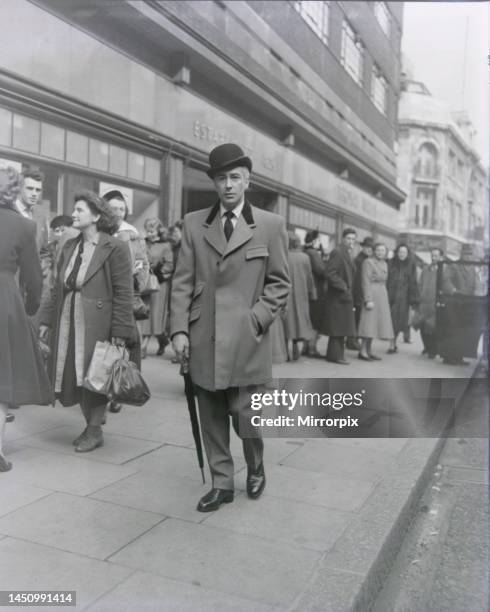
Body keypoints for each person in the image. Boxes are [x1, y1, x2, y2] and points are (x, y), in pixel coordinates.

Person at [171, 143, 290, 512]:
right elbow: (182, 282)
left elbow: (280, 283)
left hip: (247, 339)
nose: (228, 185)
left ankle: (255, 464)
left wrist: (257, 318)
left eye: (235, 177)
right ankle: (222, 483)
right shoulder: (193, 223)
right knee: (210, 414)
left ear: (247, 180)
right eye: (221, 178)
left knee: (245, 414)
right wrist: (178, 330)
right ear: (214, 182)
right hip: (203, 335)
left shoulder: (270, 226)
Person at [38, 190, 134, 452]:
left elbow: (124, 292)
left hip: (97, 322)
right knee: (76, 374)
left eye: (79, 210)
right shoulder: (70, 245)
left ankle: (94, 430)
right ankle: (92, 426)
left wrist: (121, 331)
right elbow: (56, 288)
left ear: (96, 215)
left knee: (97, 374)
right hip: (68, 319)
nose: (74, 214)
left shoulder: (115, 247)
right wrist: (46, 321)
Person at [0, 166, 52, 471]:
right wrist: (31, 307)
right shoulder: (22, 226)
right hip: (4, 301)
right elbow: (34, 279)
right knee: (2, 373)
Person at [321, 228, 357, 365]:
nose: (351, 241)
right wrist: (343, 287)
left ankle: (336, 355)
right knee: (338, 326)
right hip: (338, 295)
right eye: (348, 238)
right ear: (342, 239)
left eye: (353, 239)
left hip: (343, 295)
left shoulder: (347, 252)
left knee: (341, 326)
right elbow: (330, 272)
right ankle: (335, 355)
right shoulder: (338, 252)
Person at [140, 218, 174, 357]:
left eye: (152, 230)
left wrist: (159, 274)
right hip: (145, 282)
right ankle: (143, 346)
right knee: (145, 313)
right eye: (148, 230)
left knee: (157, 316)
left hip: (159, 284)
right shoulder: (142, 243)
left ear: (158, 230)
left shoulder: (165, 245)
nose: (150, 233)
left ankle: (162, 339)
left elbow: (169, 264)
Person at [358, 243, 394, 360]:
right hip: (372, 293)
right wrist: (368, 299)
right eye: (378, 250)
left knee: (375, 324)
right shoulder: (368, 262)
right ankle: (362, 350)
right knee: (368, 323)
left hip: (382, 294)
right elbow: (365, 281)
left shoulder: (385, 263)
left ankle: (369, 350)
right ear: (374, 251)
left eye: (383, 250)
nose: (380, 252)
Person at [285, 232, 316, 360]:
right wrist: (312, 292)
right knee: (299, 319)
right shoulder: (305, 257)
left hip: (285, 293)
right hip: (301, 293)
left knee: (287, 320)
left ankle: (286, 351)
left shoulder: (283, 256)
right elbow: (309, 277)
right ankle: (295, 347)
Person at [387, 244, 419, 354]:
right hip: (390, 295)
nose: (402, 254)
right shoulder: (390, 263)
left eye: (404, 252)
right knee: (391, 320)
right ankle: (392, 344)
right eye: (400, 252)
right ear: (397, 252)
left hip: (404, 298)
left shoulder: (411, 264)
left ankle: (393, 343)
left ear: (407, 253)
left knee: (399, 321)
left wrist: (414, 299)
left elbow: (413, 282)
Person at [303, 230, 327, 357]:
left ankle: (306, 347)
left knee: (309, 318)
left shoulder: (305, 251)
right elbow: (321, 271)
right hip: (317, 289)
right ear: (314, 241)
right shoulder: (313, 253)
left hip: (308, 290)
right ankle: (312, 348)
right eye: (319, 239)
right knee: (315, 319)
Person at [415, 248, 443, 359]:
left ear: (441, 257)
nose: (433, 257)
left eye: (436, 255)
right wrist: (420, 295)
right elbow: (420, 283)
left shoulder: (443, 270)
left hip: (435, 302)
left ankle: (433, 349)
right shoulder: (426, 269)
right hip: (424, 302)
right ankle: (427, 346)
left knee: (432, 326)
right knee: (422, 325)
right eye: (432, 255)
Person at [347, 236, 374, 351]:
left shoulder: (365, 259)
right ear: (362, 247)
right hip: (358, 292)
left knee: (358, 317)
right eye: (367, 247)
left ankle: (353, 340)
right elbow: (357, 280)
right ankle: (351, 341)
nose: (369, 250)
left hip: (361, 292)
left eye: (371, 248)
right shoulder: (360, 260)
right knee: (356, 317)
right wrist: (358, 295)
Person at [14, 166, 49, 252]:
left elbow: (44, 250)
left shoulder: (40, 215)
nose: (34, 194)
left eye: (38, 190)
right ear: (19, 188)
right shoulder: (6, 211)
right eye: (30, 188)